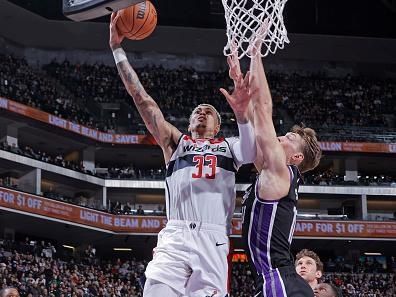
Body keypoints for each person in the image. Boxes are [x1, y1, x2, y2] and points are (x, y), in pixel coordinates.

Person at [109, 12, 256, 297]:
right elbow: (143, 100)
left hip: (212, 237)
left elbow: (250, 152)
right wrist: (117, 49)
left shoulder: (229, 146)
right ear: (189, 124)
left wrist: (243, 116)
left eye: (209, 111)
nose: (202, 111)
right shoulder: (176, 143)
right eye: (197, 111)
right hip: (175, 234)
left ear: (218, 125)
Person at [238, 33, 322, 296]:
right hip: (272, 280)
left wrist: (255, 54)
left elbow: (263, 108)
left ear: (296, 158)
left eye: (289, 138)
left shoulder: (282, 172)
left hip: (278, 278)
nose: (281, 136)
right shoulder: (270, 171)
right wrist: (241, 89)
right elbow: (254, 122)